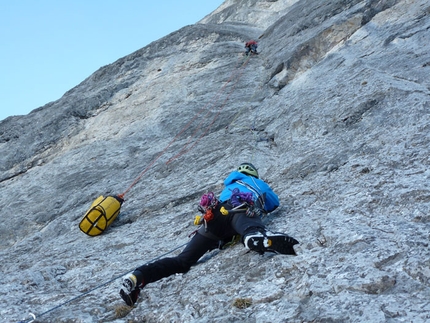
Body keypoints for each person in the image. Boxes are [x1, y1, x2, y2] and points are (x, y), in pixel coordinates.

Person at [119, 162, 299, 306]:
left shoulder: (229, 185)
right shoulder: (258, 183)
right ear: (254, 175)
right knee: (249, 228)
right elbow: (274, 203)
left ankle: (137, 277)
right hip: (240, 210)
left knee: (182, 261)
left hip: (214, 218)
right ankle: (255, 237)